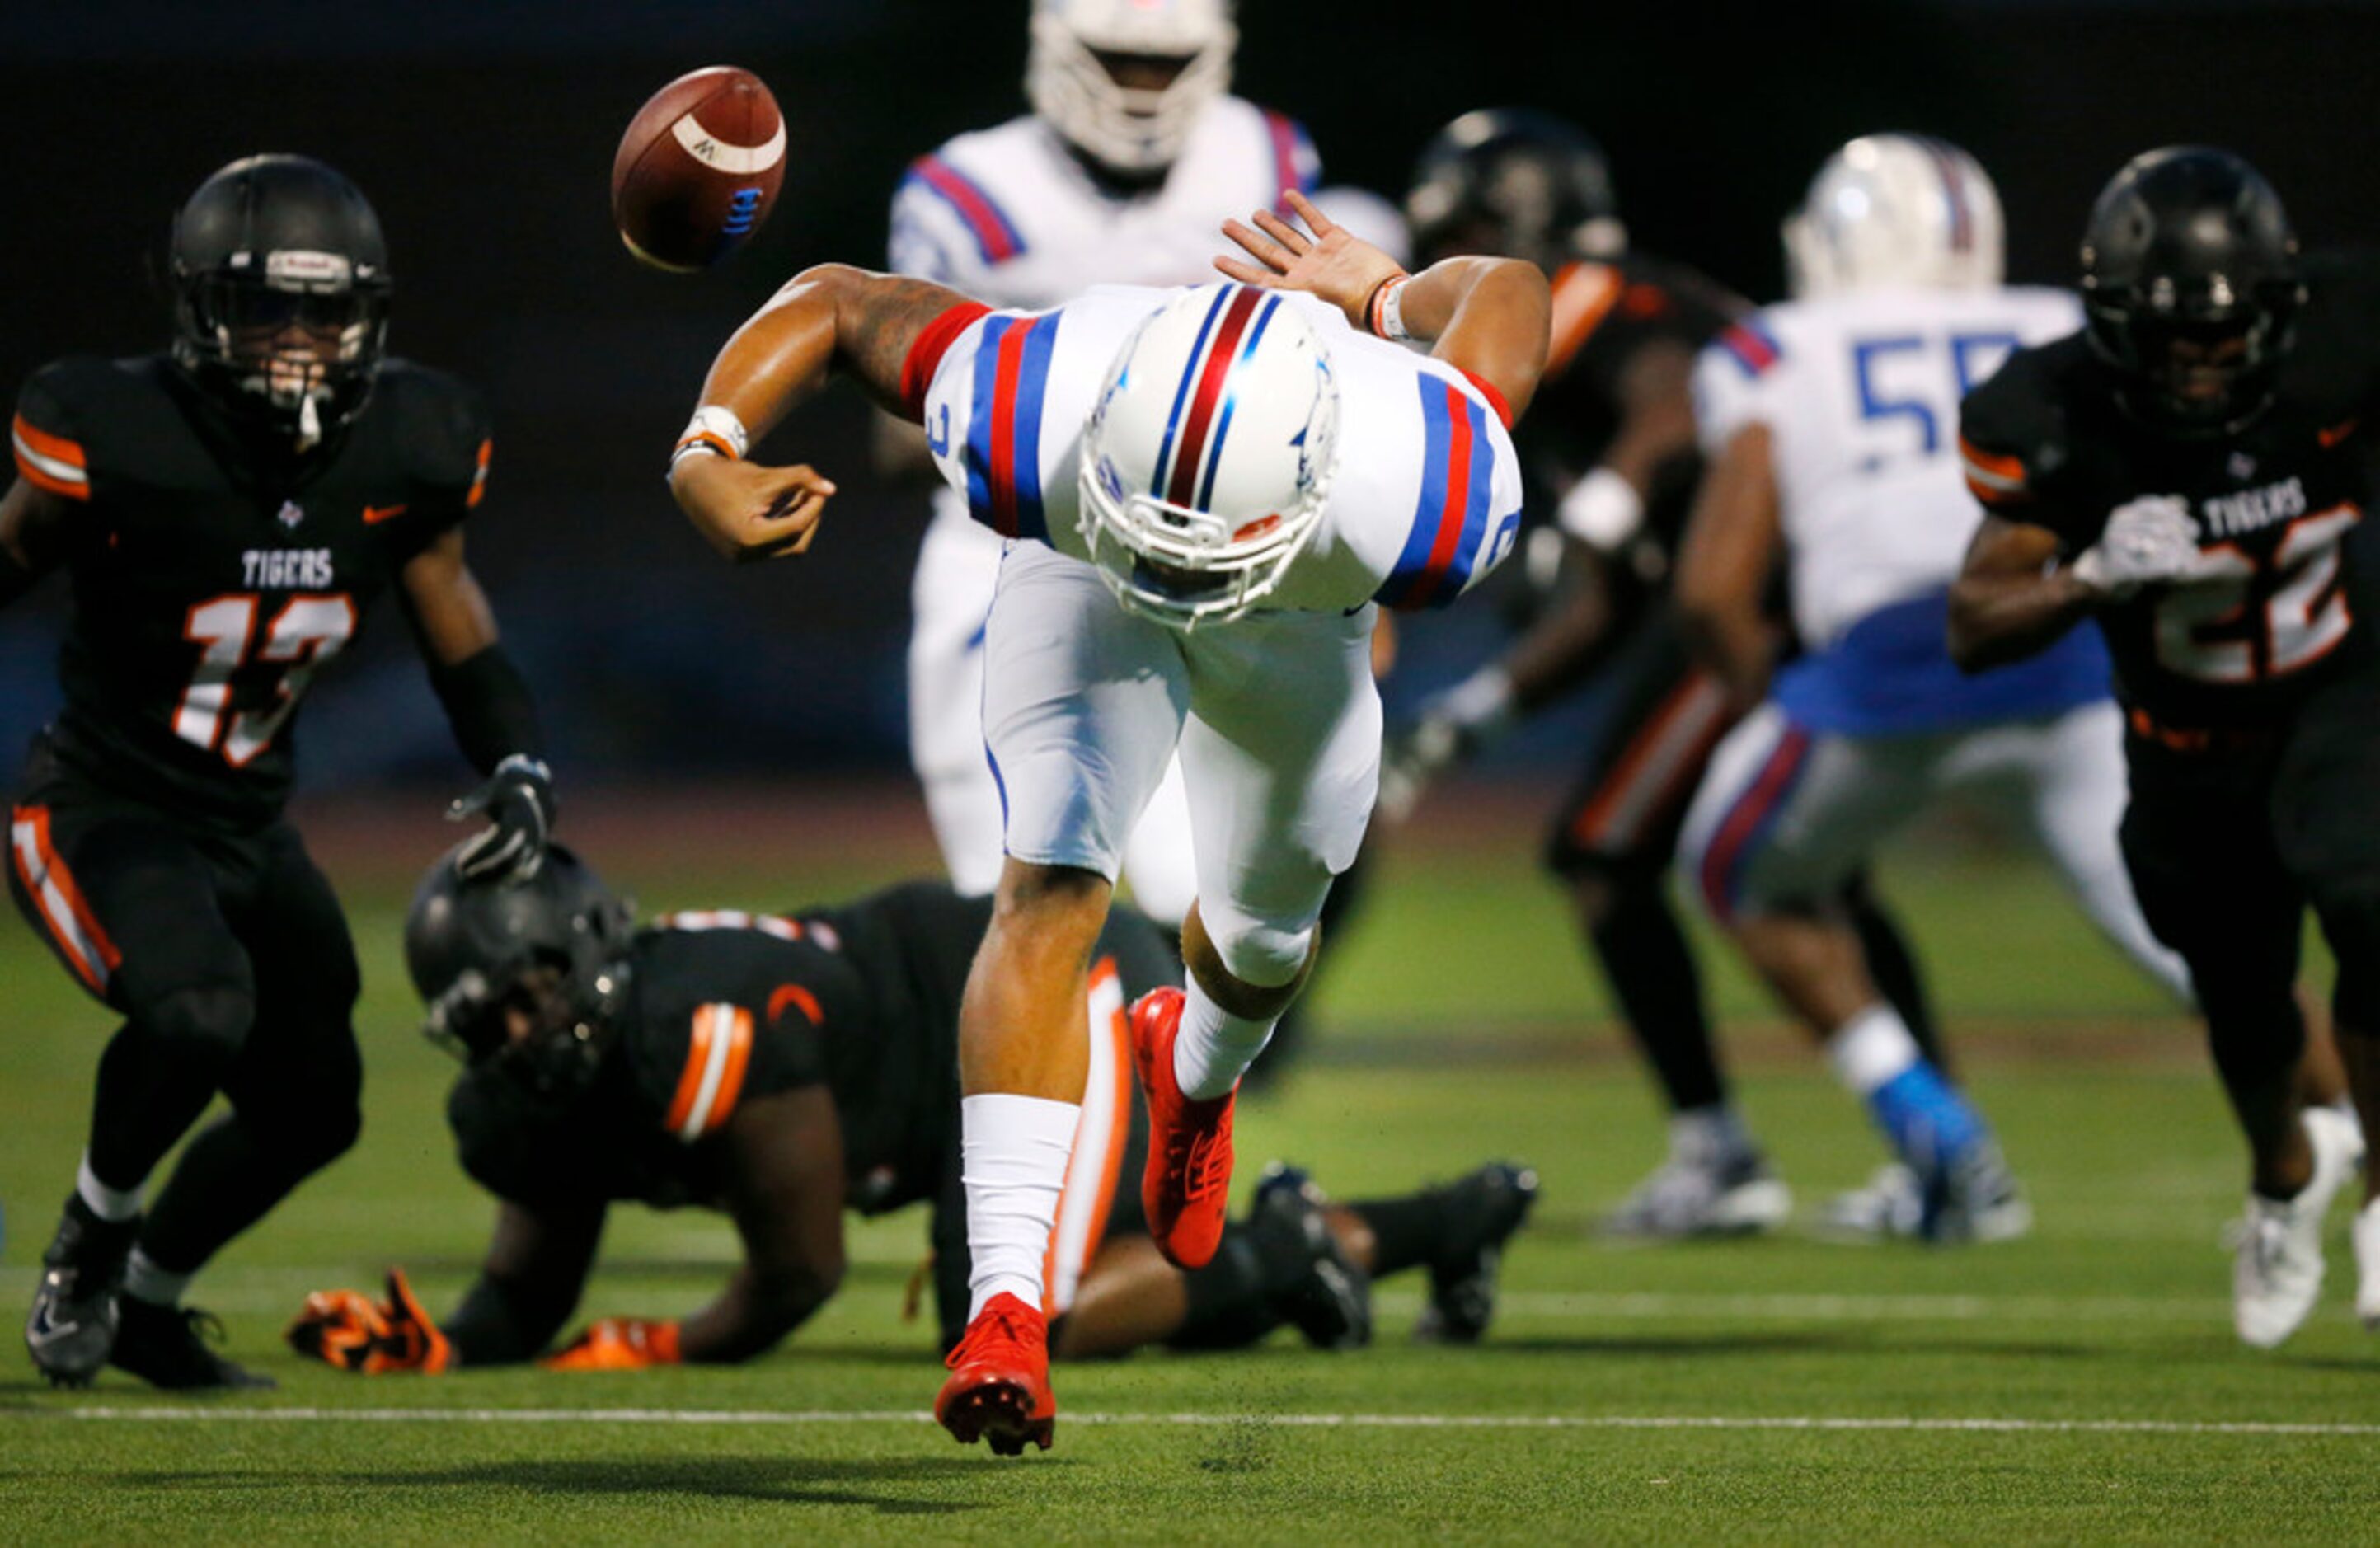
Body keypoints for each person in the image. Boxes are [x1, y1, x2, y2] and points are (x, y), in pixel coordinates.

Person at [664, 191, 1547, 1451]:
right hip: (1090, 575)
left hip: (1290, 619)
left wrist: (1384, 297)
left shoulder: (1417, 478)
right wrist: (705, 445)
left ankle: (1191, 1079)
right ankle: (1005, 1310)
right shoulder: (1040, 396)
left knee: (1261, 939)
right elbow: (834, 298)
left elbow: (1510, 286)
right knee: (1049, 883)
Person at [5, 156, 556, 1390]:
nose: (299, 341)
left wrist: (512, 751)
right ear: (202, 309)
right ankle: (92, 1242)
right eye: (266, 309)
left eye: (325, 310)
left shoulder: (409, 441)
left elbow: (449, 609)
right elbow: (13, 551)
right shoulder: (120, 429)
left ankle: (146, 1306)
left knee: (316, 1109)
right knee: (198, 1010)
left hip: (251, 820)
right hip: (102, 801)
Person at [284, 851, 1536, 1376]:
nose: (525, 1033)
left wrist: (666, 1343)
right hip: (941, 1080)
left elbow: (798, 1271)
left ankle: (1278, 1247)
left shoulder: (700, 1022)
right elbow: (527, 1288)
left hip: (1054, 993)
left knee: (1008, 1318)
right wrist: (442, 1345)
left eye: (535, 993)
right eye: (491, 1018)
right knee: (1073, 1293)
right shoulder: (532, 1105)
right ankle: (1429, 1221)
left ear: (590, 948)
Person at [1378, 110, 1944, 1236]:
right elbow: (1615, 599)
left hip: (1761, 608)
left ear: (1504, 227)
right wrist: (1477, 715)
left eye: (1458, 239)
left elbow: (1678, 397)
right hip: (1781, 598)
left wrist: (1599, 502)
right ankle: (1934, 1147)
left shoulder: (1584, 291)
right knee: (1811, 873)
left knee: (1604, 851)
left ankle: (1729, 1151)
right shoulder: (1630, 299)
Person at [1671, 135, 2197, 1241]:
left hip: (1877, 677)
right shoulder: (2056, 320)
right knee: (2208, 948)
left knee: (1730, 866)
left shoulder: (1777, 346)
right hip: (2063, 652)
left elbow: (1712, 589)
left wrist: (1772, 702)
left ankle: (1936, 1132)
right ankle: (2343, 1122)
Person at [1951, 147, 2376, 1344]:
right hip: (2183, 729)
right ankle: (2283, 1175)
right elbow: (1972, 623)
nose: (2200, 358)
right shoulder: (2048, 410)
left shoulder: (2344, 339)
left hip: (2337, 683)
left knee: (2367, 895)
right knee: (2240, 995)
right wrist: (2083, 574)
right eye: (2170, 334)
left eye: (2225, 331)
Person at [886, 0, 1316, 926]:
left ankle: (1174, 1069)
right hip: (1003, 542)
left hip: (1203, 555)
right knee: (1000, 878)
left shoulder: (1264, 159)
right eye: (1120, 60)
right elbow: (899, 423)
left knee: (1193, 885)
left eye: (1163, 65)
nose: (1142, 90)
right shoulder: (968, 190)